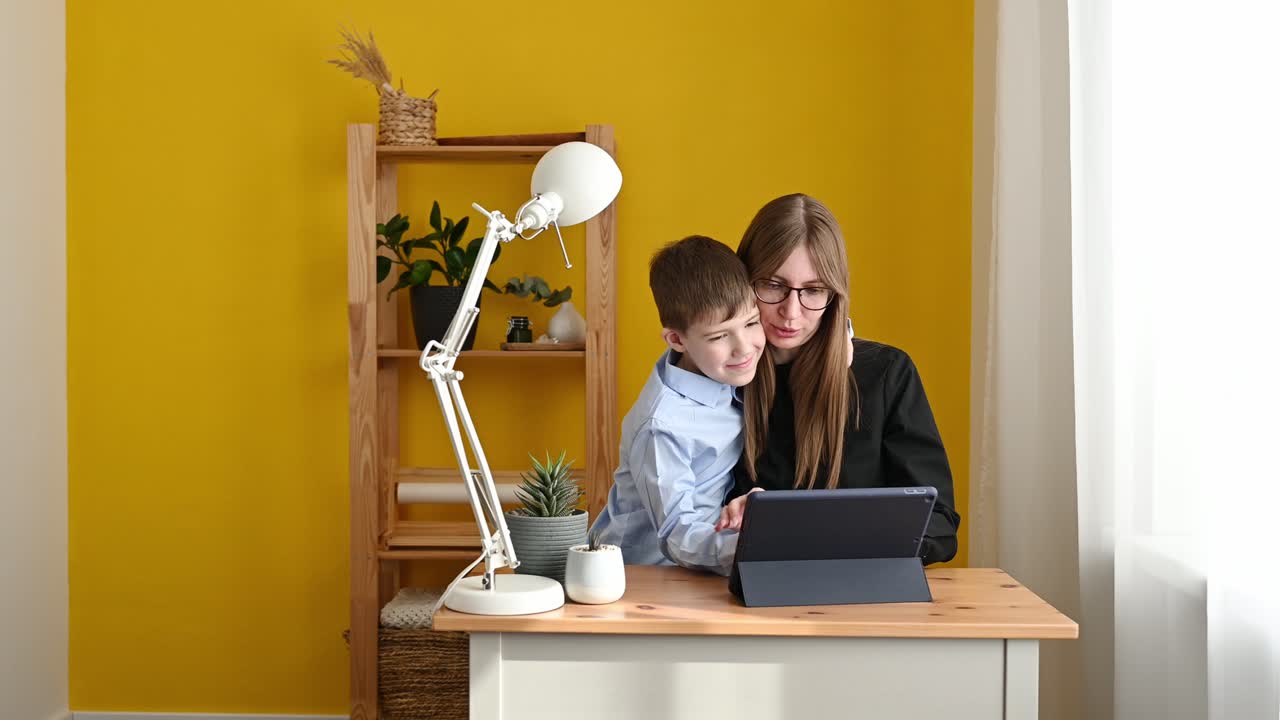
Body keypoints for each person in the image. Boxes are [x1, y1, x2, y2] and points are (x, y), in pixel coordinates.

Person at [716, 194, 961, 565]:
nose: (791, 312)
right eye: (772, 285)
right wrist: (727, 518)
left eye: (813, 290)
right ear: (743, 280)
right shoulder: (716, 374)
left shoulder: (886, 373)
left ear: (834, 295)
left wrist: (867, 542)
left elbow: (939, 522)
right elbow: (683, 515)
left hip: (866, 592)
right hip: (745, 591)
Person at [590, 235, 766, 575]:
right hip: (641, 577)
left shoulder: (715, 366)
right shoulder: (663, 427)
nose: (744, 348)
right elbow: (677, 535)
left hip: (701, 563)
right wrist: (754, 544)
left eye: (751, 322)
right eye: (719, 336)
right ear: (676, 339)